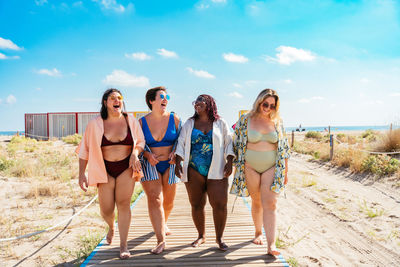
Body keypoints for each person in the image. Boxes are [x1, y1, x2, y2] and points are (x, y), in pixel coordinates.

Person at [77, 88, 145, 259]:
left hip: (126, 168)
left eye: (119, 97)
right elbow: (84, 149)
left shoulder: (131, 121)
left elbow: (141, 142)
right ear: (106, 103)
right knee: (106, 210)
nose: (117, 100)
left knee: (123, 204)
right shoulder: (95, 123)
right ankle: (111, 226)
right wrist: (81, 174)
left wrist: (135, 154)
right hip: (103, 168)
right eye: (113, 98)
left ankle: (123, 245)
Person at [230, 88, 290, 257]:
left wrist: (285, 172)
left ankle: (271, 245)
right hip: (250, 167)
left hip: (272, 167)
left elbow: (285, 148)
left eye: (272, 106)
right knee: (257, 201)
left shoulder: (277, 122)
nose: (268, 108)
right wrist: (236, 169)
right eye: (266, 104)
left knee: (270, 203)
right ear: (258, 102)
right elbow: (236, 146)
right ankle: (258, 232)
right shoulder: (245, 120)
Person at [175, 94, 234, 251]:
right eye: (196, 100)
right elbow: (181, 142)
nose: (198, 102)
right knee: (196, 204)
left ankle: (219, 238)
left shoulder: (220, 123)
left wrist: (230, 161)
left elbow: (229, 142)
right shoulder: (189, 123)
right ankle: (201, 235)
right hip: (194, 168)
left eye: (202, 100)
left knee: (220, 204)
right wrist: (177, 162)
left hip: (217, 168)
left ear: (210, 104)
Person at [139, 86, 181, 254]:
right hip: (150, 164)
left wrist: (176, 153)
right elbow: (138, 143)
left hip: (170, 165)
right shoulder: (141, 122)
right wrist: (147, 154)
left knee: (168, 202)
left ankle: (163, 222)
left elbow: (182, 140)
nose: (166, 99)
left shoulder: (175, 118)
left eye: (167, 96)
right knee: (155, 199)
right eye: (162, 96)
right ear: (151, 100)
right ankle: (160, 239)